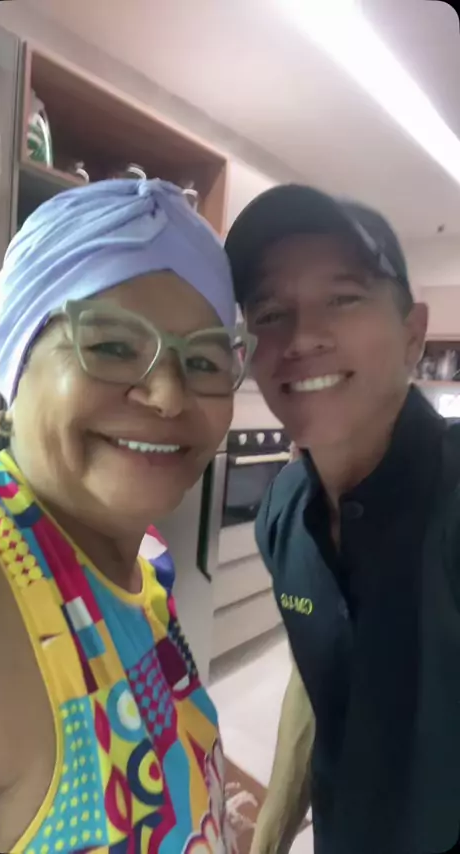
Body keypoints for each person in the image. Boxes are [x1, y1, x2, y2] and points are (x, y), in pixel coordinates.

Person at [0, 177, 256, 854]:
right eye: (109, 346)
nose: (168, 395)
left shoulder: (147, 565)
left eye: (202, 359)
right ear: (12, 373)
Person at [225, 185, 460, 854]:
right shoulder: (283, 510)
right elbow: (315, 674)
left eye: (343, 298)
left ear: (412, 334)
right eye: (271, 312)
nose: (301, 337)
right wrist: (268, 841)